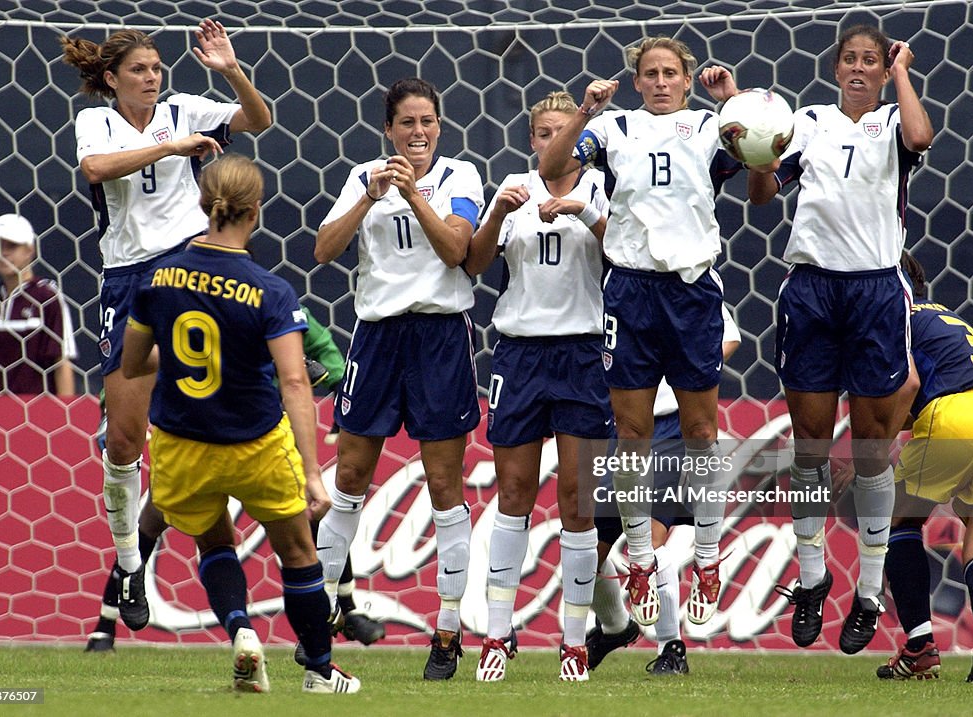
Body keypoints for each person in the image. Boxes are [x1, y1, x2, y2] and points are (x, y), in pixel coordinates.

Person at [60, 19, 271, 632]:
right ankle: (130, 564)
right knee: (125, 443)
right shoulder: (96, 122)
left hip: (187, 267)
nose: (152, 79)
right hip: (127, 280)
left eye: (156, 69)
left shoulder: (185, 107)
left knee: (229, 324)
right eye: (139, 71)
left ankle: (268, 354)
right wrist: (170, 148)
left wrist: (231, 71)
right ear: (111, 79)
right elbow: (96, 169)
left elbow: (259, 122)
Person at [120, 153, 360, 693]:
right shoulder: (269, 290)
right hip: (255, 443)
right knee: (297, 551)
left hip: (182, 442)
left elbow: (133, 363)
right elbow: (296, 383)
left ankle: (240, 632)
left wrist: (185, 362)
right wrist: (314, 474)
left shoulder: (157, 279)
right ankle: (321, 671)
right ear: (255, 211)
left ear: (203, 205)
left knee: (213, 543)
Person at [541, 35, 744, 628]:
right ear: (637, 81)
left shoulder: (710, 130)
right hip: (629, 291)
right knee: (629, 433)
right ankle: (637, 558)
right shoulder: (614, 130)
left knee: (701, 430)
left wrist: (735, 102)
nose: (660, 82)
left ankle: (707, 557)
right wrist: (584, 111)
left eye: (670, 73)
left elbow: (765, 170)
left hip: (691, 292)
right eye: (650, 73)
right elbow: (552, 166)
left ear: (686, 80)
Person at [749, 24, 934, 654]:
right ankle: (812, 576)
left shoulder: (890, 124)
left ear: (883, 71)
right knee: (809, 447)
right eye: (849, 59)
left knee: (872, 450)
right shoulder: (808, 121)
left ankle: (871, 592)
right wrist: (757, 157)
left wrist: (904, 71)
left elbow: (921, 138)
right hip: (811, 290)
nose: (859, 68)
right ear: (834, 68)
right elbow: (765, 192)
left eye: (871, 61)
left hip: (876, 292)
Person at [84, 303, 385, 652]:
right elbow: (318, 364)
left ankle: (106, 627)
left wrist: (112, 407)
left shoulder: (178, 300)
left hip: (205, 441)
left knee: (158, 522)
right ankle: (324, 639)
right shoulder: (266, 300)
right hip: (258, 443)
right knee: (306, 521)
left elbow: (132, 362)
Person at [313, 77, 484, 681]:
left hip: (439, 337)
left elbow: (457, 250)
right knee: (352, 475)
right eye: (407, 123)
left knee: (444, 484)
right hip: (378, 336)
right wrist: (368, 197)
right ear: (388, 129)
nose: (418, 133)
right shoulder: (364, 176)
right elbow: (322, 249)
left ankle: (447, 631)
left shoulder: (460, 177)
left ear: (440, 126)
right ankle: (322, 624)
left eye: (428, 122)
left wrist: (414, 197)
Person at [464, 91, 610, 683]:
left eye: (566, 133)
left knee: (577, 503)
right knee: (515, 494)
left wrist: (585, 214)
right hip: (520, 355)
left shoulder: (601, 188)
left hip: (581, 353)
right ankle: (498, 634)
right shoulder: (514, 187)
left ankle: (574, 640)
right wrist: (497, 214)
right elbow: (472, 264)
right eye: (545, 133)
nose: (556, 142)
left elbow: (625, 257)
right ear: (532, 140)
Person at [588, 307, 740, 676]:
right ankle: (615, 627)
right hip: (618, 426)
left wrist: (685, 374)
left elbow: (730, 335)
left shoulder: (683, 274)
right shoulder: (611, 282)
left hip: (670, 426)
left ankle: (671, 646)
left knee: (652, 538)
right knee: (587, 551)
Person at [868, 252, 973, 682]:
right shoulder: (945, 316)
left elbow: (910, 385)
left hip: (953, 414)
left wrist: (873, 451)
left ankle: (919, 647)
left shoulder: (898, 320)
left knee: (895, 520)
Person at [0, 213, 77, 396]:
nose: (3, 253)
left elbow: (61, 362)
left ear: (30, 250)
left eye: (11, 246)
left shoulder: (47, 297)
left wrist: (65, 416)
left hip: (40, 412)